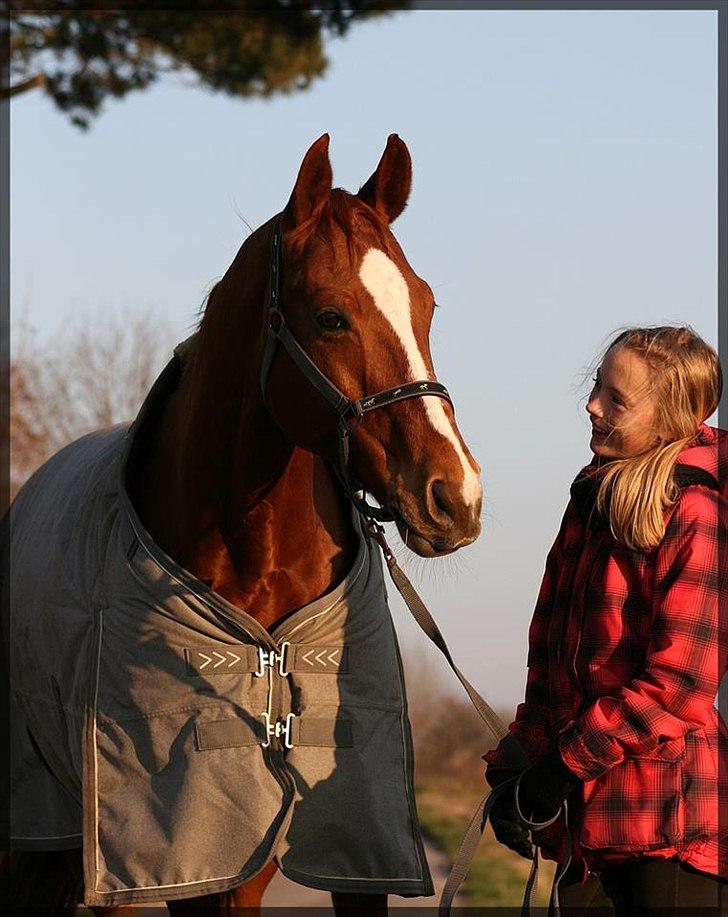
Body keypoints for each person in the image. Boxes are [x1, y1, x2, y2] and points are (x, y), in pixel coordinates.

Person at [484, 326, 727, 915]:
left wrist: (564, 766)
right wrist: (521, 761)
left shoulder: (696, 511)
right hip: (585, 827)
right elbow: (550, 655)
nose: (592, 405)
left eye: (616, 399)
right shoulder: (590, 502)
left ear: (671, 416)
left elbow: (681, 684)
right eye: (597, 388)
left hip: (670, 824)